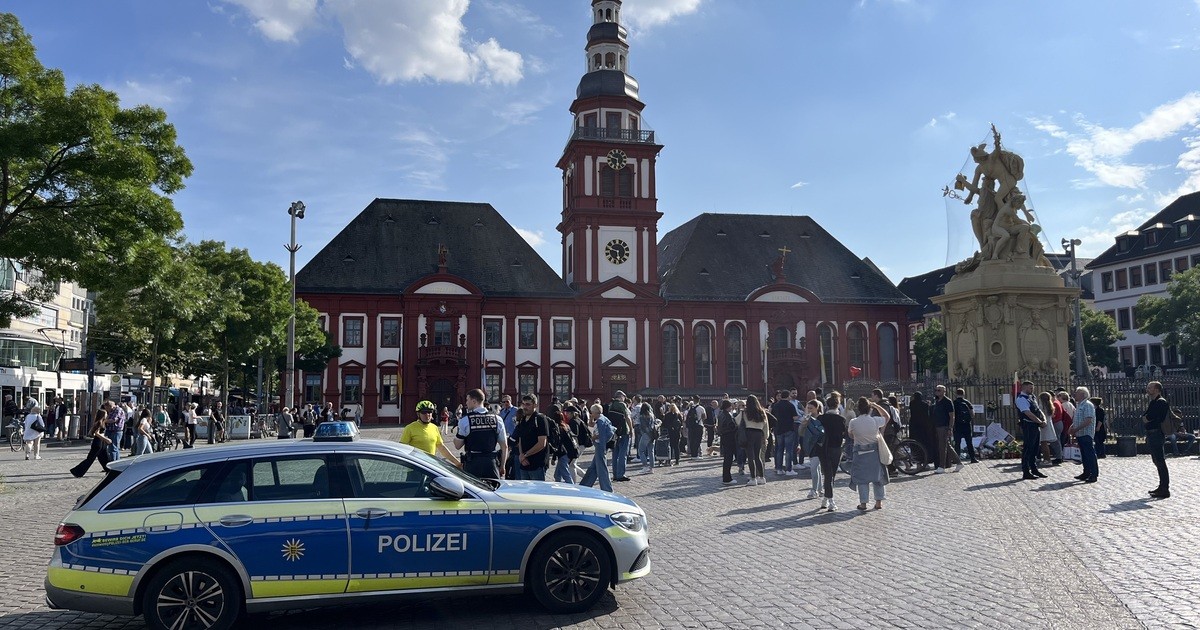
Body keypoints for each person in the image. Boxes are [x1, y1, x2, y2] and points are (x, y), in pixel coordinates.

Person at [454, 389, 508, 480]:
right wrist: (502, 466)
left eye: (467, 400)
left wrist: (456, 438)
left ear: (474, 401)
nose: (466, 403)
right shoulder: (497, 419)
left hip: (473, 463)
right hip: (491, 463)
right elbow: (504, 446)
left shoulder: (465, 420)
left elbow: (457, 445)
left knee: (472, 491)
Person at [847, 397, 890, 510]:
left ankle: (863, 503)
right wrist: (876, 405)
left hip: (860, 452)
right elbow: (887, 417)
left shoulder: (853, 422)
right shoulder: (875, 420)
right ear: (869, 408)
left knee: (862, 479)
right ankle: (879, 502)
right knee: (878, 477)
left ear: (858, 409)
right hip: (874, 452)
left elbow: (851, 435)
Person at [401, 400, 462, 466]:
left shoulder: (434, 428)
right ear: (418, 414)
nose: (427, 415)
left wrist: (457, 463)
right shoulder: (410, 428)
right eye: (424, 412)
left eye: (429, 412)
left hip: (430, 466)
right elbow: (402, 448)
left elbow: (441, 448)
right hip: (416, 467)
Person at [815, 395, 846, 511]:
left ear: (827, 405)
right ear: (838, 405)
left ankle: (826, 499)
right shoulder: (841, 420)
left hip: (823, 449)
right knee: (831, 474)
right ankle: (830, 500)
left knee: (827, 474)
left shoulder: (821, 419)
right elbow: (844, 435)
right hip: (836, 448)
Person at [1143, 381, 1170, 498]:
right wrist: (1146, 418)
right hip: (1151, 433)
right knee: (1156, 460)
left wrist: (1147, 418)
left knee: (1160, 461)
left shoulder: (1161, 402)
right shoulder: (1153, 402)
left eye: (1150, 388)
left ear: (1157, 389)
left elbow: (1152, 417)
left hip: (1157, 433)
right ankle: (1161, 486)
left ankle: (1165, 488)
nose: (1148, 389)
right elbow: (1146, 415)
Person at [512, 394, 550, 481]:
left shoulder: (540, 419)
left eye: (528, 404)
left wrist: (525, 455)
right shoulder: (523, 419)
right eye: (523, 404)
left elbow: (542, 443)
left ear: (535, 405)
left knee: (537, 492)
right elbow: (520, 439)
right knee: (525, 491)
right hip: (524, 463)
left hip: (536, 463)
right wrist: (521, 455)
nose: (525, 407)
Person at [1015, 381, 1048, 480]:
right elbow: (1027, 413)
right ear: (1024, 388)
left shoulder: (1032, 397)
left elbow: (1038, 410)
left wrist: (1044, 419)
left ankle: (1034, 469)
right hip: (1028, 425)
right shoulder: (1021, 399)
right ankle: (1026, 471)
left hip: (1035, 425)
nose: (1032, 390)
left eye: (1032, 388)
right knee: (1028, 448)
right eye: (1030, 388)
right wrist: (1039, 422)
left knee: (1035, 448)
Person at [579, 403, 614, 492]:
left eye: (592, 412)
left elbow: (601, 436)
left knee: (602, 468)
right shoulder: (603, 418)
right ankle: (585, 485)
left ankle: (607, 488)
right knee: (593, 468)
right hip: (601, 445)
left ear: (595, 412)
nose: (591, 414)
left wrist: (595, 440)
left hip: (600, 446)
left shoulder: (600, 421)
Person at [1067, 386, 1098, 483]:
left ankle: (1094, 474)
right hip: (1080, 433)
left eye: (1077, 392)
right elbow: (1078, 419)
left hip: (1086, 433)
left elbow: (1088, 420)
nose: (1075, 394)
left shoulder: (1087, 405)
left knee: (1090, 454)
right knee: (1084, 455)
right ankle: (1086, 472)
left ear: (1083, 394)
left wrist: (1076, 428)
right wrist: (1072, 427)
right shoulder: (1079, 405)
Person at [70, 410, 113, 477]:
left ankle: (110, 470)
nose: (107, 415)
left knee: (104, 457)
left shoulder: (102, 422)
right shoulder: (99, 422)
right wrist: (106, 439)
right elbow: (96, 433)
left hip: (102, 442)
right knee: (90, 459)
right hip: (98, 442)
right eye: (105, 414)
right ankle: (77, 471)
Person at [930, 385, 961, 473]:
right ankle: (958, 463)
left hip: (944, 426)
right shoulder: (936, 401)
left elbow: (952, 416)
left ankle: (941, 466)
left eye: (939, 390)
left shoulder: (947, 401)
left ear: (944, 391)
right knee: (946, 445)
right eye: (936, 390)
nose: (937, 392)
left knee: (942, 447)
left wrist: (950, 428)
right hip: (938, 426)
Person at [798, 399, 825, 499]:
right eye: (807, 408)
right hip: (811, 446)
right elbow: (800, 432)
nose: (809, 410)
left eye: (811, 408)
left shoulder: (822, 418)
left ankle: (814, 490)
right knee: (815, 467)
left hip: (820, 445)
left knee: (815, 468)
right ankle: (819, 489)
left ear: (817, 408)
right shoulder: (807, 418)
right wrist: (803, 423)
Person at [770, 390, 799, 476]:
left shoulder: (775, 405)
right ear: (788, 396)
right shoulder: (790, 405)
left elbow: (772, 416)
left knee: (779, 449)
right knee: (789, 450)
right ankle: (788, 469)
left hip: (778, 430)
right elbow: (795, 417)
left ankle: (779, 469)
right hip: (789, 429)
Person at [608, 391, 633, 482]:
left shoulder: (611, 405)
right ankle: (620, 474)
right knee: (623, 454)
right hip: (623, 431)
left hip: (614, 432)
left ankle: (614, 474)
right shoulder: (622, 405)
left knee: (615, 454)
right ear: (621, 396)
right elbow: (627, 417)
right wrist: (631, 429)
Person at [553, 405, 581, 483]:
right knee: (557, 475)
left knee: (566, 475)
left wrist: (553, 458)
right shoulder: (566, 426)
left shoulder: (558, 428)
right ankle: (558, 487)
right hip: (570, 451)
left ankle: (571, 488)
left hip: (564, 453)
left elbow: (559, 443)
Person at [952, 388, 979, 464]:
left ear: (956, 394)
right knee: (969, 442)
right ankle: (973, 458)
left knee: (957, 443)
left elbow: (952, 414)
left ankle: (956, 459)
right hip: (967, 425)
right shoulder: (967, 402)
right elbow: (972, 414)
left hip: (957, 425)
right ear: (963, 394)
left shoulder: (954, 403)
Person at [716, 399, 739, 485]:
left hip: (724, 437)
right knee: (728, 458)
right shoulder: (728, 415)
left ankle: (726, 477)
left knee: (727, 458)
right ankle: (727, 478)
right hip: (729, 437)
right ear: (729, 406)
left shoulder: (721, 414)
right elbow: (732, 426)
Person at [497, 395, 519, 479]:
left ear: (510, 401)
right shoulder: (502, 412)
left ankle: (513, 475)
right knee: (505, 456)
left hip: (514, 438)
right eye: (504, 402)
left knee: (513, 457)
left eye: (507, 401)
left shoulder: (515, 410)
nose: (506, 403)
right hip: (505, 438)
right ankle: (506, 473)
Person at [635, 403, 660, 474]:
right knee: (651, 451)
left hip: (646, 434)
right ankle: (651, 467)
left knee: (641, 450)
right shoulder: (652, 415)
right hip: (653, 434)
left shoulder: (642, 416)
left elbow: (644, 427)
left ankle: (645, 466)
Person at [1037, 392, 1059, 465]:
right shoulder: (1049, 406)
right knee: (1045, 443)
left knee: (1044, 443)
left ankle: (1047, 459)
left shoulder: (1041, 406)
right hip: (1048, 425)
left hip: (1044, 426)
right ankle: (1047, 459)